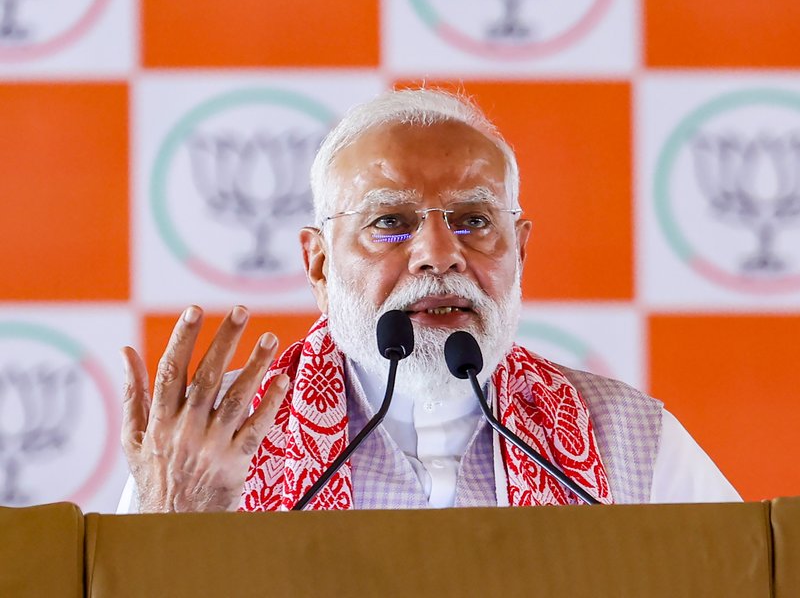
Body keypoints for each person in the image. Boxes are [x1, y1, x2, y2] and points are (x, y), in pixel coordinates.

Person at [118, 89, 740, 513]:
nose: (438, 253)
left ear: (519, 252)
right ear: (319, 262)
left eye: (473, 219)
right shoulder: (206, 449)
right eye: (390, 222)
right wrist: (174, 523)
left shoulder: (632, 440)